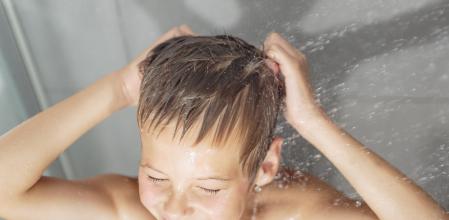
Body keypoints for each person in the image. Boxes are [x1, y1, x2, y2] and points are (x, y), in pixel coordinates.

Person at [0, 24, 447, 220]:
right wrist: (118, 88)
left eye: (208, 188)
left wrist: (312, 122)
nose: (174, 210)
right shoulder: (134, 210)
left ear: (265, 169)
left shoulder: (299, 214)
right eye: (156, 176)